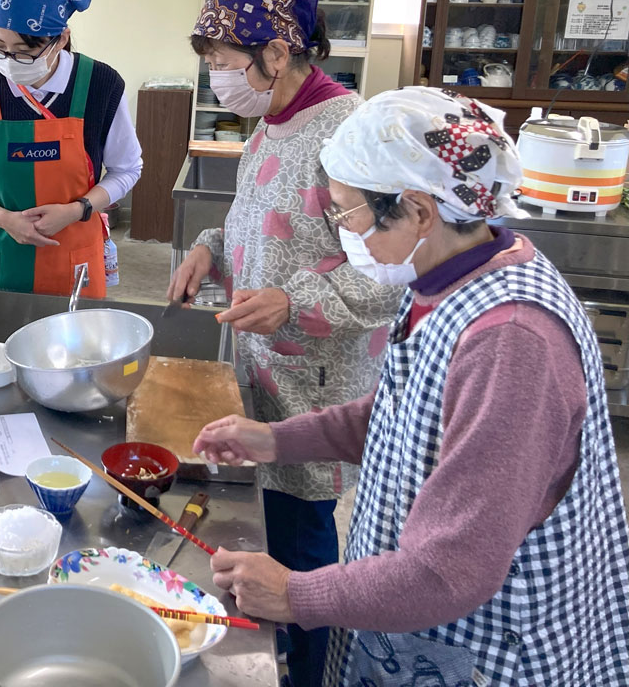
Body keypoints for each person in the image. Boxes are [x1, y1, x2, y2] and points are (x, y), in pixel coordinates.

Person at [195, 87, 629, 686]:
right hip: (409, 619)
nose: (342, 231)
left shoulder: (511, 342)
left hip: (483, 648)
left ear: (420, 211)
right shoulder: (449, 277)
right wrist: (275, 440)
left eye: (346, 214)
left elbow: (448, 574)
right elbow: (403, 411)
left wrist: (294, 594)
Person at [167, 0, 401, 686]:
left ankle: (309, 669)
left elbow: (384, 271)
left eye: (228, 60)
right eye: (210, 62)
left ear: (280, 50)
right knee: (264, 520)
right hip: (261, 367)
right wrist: (211, 243)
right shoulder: (274, 120)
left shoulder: (348, 134)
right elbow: (256, 216)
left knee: (302, 542)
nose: (219, 77)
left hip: (317, 384)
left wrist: (295, 301)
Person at [0, 0, 142, 299]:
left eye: (23, 51)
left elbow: (127, 168)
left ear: (60, 38)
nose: (9, 61)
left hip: (75, 264)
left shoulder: (100, 84)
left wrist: (76, 210)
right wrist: (2, 217)